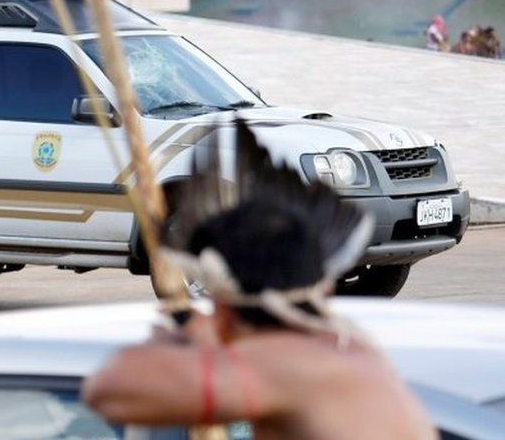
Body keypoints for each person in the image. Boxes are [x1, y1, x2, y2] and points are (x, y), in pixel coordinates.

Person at [83, 121, 436, 439]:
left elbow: (106, 389)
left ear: (220, 307)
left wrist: (190, 330)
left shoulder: (281, 365)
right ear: (325, 286)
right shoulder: (353, 350)